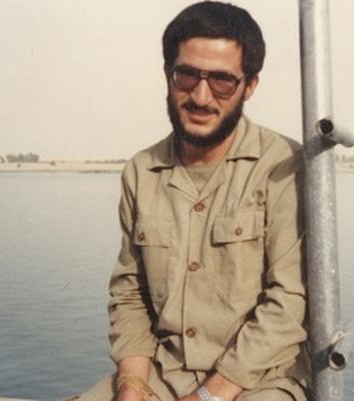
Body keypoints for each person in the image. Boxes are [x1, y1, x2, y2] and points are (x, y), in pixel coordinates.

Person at [77, 2, 310, 400]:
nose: (201, 97)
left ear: (250, 86)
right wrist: (132, 386)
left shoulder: (283, 166)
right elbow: (130, 293)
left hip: (262, 379)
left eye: (222, 81)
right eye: (186, 75)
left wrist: (207, 396)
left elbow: (289, 301)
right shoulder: (141, 171)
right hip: (163, 374)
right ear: (167, 74)